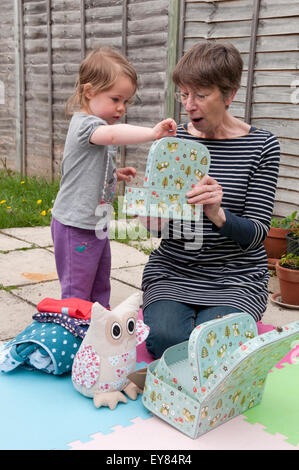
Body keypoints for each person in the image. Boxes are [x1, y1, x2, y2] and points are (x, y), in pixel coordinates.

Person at [141, 40, 280, 359]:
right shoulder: (174, 142)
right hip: (175, 269)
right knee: (166, 341)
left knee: (216, 350)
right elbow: (154, 228)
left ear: (229, 95)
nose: (189, 105)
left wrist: (217, 213)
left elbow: (258, 232)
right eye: (184, 94)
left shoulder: (262, 146)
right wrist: (150, 216)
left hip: (236, 275)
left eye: (201, 95)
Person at [51, 46, 176, 308]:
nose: (121, 108)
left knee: (99, 281)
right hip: (75, 225)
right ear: (89, 92)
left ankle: (99, 326)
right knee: (77, 288)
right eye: (115, 99)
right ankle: (72, 334)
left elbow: (88, 167)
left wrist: (114, 175)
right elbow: (114, 135)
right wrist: (152, 133)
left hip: (95, 223)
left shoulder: (98, 128)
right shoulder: (87, 125)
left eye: (126, 102)